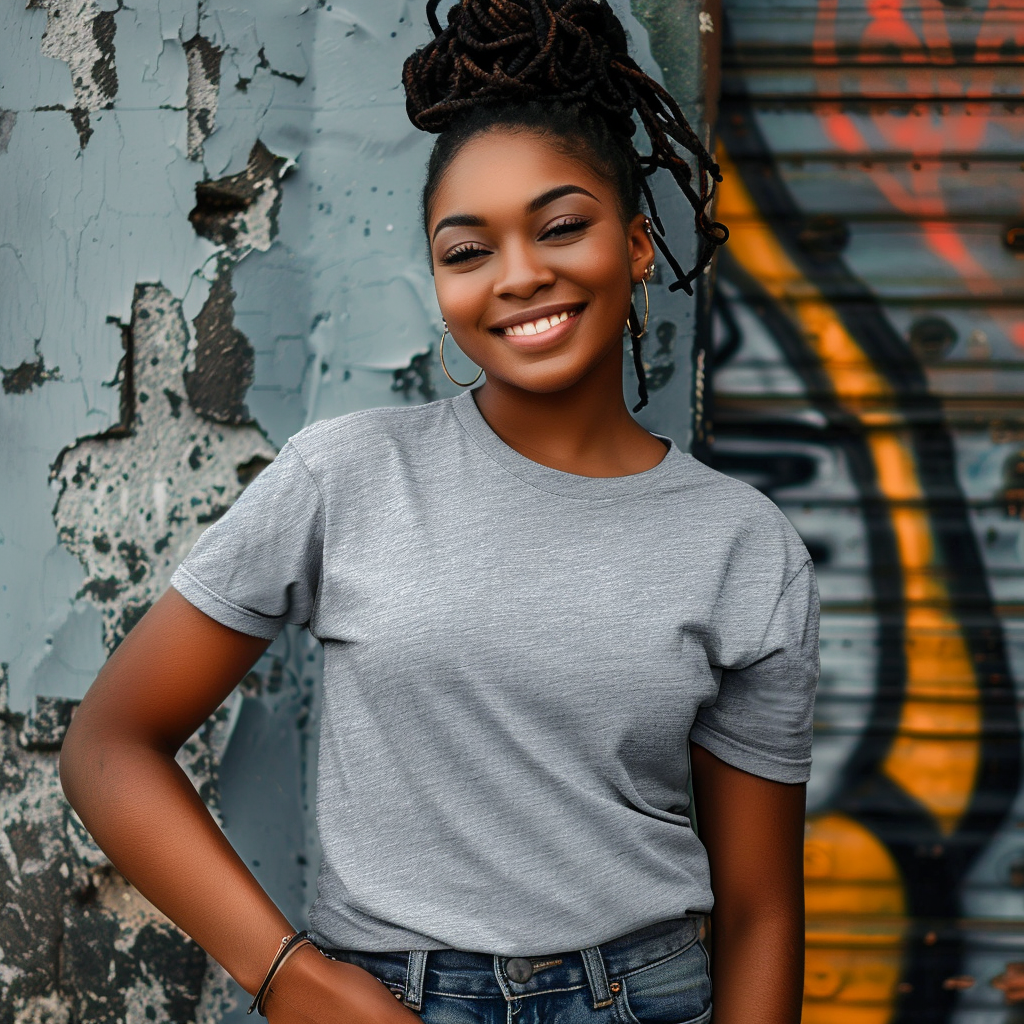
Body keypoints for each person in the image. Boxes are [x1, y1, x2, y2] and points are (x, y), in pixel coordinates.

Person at [58, 2, 819, 1023]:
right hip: (385, 1001)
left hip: (643, 999)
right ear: (439, 280)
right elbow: (109, 747)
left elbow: (763, 908)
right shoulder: (346, 476)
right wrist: (289, 976)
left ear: (638, 245)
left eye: (560, 227)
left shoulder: (742, 543)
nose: (518, 276)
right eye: (467, 251)